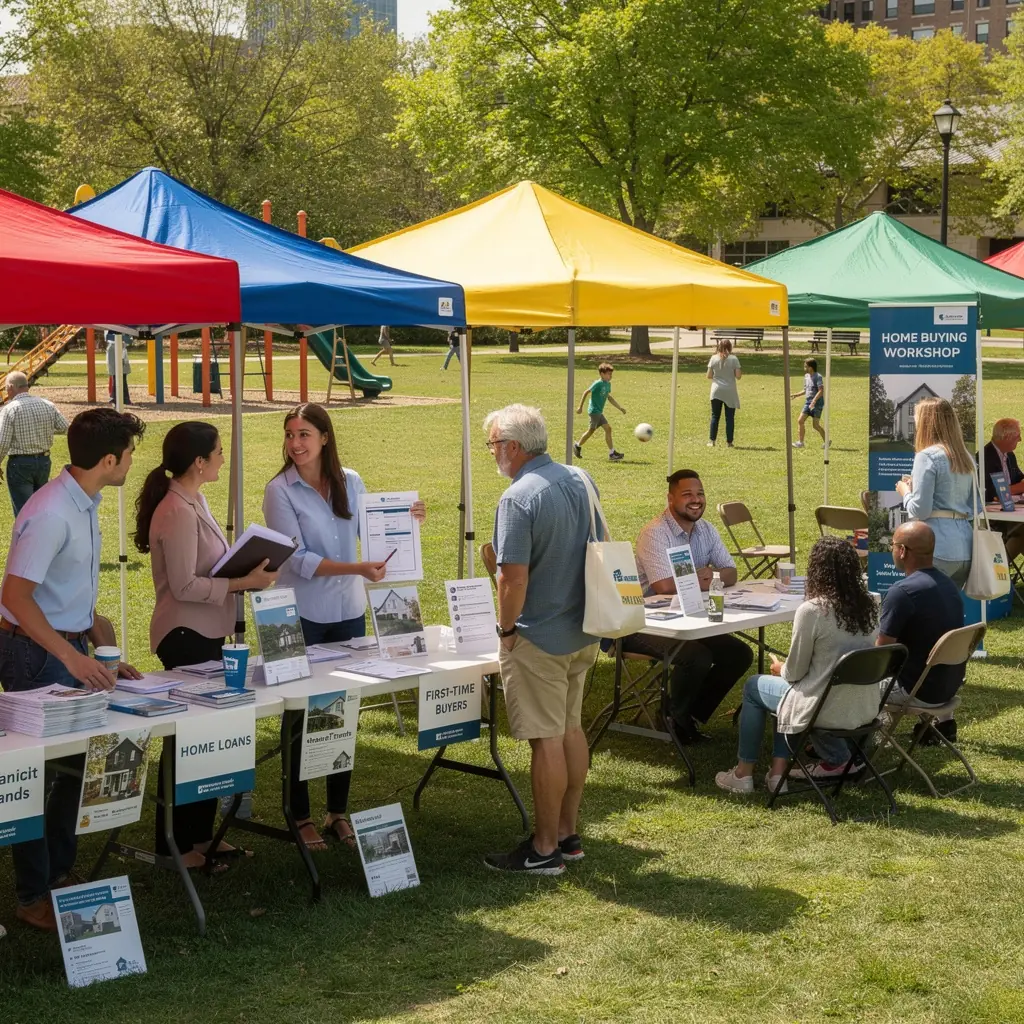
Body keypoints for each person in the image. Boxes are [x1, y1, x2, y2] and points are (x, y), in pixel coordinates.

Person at [0, 408, 145, 931]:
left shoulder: (83, 502)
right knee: (37, 775)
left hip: (64, 649)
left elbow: (72, 595)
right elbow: (15, 596)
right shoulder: (52, 511)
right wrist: (72, 657)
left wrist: (101, 647)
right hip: (35, 654)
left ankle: (57, 877)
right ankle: (32, 892)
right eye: (129, 453)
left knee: (73, 769)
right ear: (109, 459)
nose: (131, 461)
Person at [263, 402, 425, 851]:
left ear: (324, 438)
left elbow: (376, 533)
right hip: (301, 615)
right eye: (290, 434)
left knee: (342, 712)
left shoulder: (350, 481)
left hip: (349, 613)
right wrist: (357, 567)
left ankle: (338, 810)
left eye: (304, 435)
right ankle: (300, 814)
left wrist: (407, 520)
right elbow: (296, 559)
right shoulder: (279, 490)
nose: (295, 443)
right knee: (298, 713)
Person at [134, 422, 278, 869]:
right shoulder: (175, 510)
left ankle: (199, 837)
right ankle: (174, 844)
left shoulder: (194, 498)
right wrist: (243, 581)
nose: (221, 458)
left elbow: (207, 569)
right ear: (198, 461)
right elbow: (183, 585)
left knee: (210, 738)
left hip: (207, 632)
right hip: (185, 636)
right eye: (217, 452)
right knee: (188, 741)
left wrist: (243, 570)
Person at [483, 403, 600, 875]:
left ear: (512, 447)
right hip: (584, 628)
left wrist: (507, 631)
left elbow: (513, 579)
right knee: (570, 730)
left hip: (540, 635)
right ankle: (568, 834)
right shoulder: (578, 477)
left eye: (493, 445)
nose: (493, 453)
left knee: (547, 740)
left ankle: (545, 847)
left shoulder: (518, 497)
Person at [716, 535, 880, 794]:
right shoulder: (871, 603)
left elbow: (794, 674)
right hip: (864, 705)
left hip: (823, 705)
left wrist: (780, 668)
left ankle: (743, 773)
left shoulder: (813, 611)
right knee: (791, 691)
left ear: (816, 570)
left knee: (754, 686)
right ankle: (777, 774)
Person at [630, 469, 751, 742]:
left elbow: (731, 573)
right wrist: (706, 576)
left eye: (700, 494)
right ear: (670, 498)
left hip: (689, 617)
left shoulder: (706, 529)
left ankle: (688, 714)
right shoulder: (655, 534)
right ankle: (674, 718)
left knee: (739, 654)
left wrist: (704, 577)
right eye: (687, 495)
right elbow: (663, 586)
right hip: (644, 624)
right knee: (697, 655)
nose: (696, 500)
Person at [877, 521, 965, 743]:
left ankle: (849, 749)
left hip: (917, 692)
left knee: (846, 680)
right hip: (948, 687)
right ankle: (941, 725)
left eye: (893, 544)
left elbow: (880, 656)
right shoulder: (949, 585)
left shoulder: (901, 592)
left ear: (903, 551)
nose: (892, 549)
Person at [895, 397, 974, 586]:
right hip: (966, 546)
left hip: (936, 547)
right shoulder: (967, 457)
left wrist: (905, 491)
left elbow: (920, 510)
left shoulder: (927, 456)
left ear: (925, 424)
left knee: (926, 611)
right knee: (950, 610)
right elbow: (975, 506)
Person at [0, 370, 68, 515]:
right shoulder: (47, 404)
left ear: (11, 387)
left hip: (20, 464)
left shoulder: (10, 409)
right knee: (41, 509)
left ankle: (26, 537)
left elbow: (3, 442)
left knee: (24, 512)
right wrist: (45, 429)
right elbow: (64, 427)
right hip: (44, 461)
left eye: (6, 388)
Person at [982, 418, 1024, 562]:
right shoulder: (985, 457)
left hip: (1011, 510)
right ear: (1006, 437)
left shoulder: (1009, 455)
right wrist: (1019, 488)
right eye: (1018, 436)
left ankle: (1001, 571)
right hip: (993, 516)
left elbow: (1019, 478)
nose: (1020, 440)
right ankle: (999, 570)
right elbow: (994, 494)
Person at [573, 362, 626, 462]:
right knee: (591, 431)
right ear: (602, 374)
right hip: (594, 411)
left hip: (599, 412)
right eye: (609, 374)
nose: (611, 376)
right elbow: (586, 392)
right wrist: (580, 407)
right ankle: (577, 445)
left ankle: (612, 453)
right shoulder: (597, 383)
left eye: (611, 374)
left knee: (607, 429)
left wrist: (620, 408)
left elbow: (609, 397)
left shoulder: (607, 384)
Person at [706, 339, 741, 447]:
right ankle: (729, 442)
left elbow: (709, 375)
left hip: (716, 390)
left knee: (715, 416)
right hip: (730, 391)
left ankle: (712, 441)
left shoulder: (713, 358)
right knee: (729, 417)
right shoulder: (734, 359)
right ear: (730, 347)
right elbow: (738, 376)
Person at [791, 357, 825, 449]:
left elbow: (821, 391)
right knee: (800, 420)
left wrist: (814, 401)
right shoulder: (806, 377)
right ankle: (801, 443)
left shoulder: (818, 377)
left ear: (810, 367)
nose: (804, 368)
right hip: (808, 402)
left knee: (815, 425)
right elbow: (806, 390)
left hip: (817, 404)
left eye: (805, 366)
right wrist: (796, 395)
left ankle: (826, 441)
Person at [105, 331, 132, 405]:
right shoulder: (110, 328)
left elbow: (129, 340)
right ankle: (115, 397)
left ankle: (124, 398)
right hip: (113, 349)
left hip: (122, 350)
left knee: (123, 375)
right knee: (115, 375)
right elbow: (107, 337)